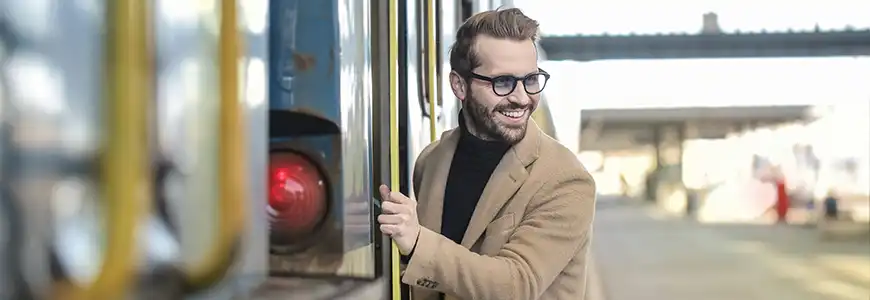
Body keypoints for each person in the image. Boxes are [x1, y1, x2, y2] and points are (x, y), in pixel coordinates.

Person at [376, 8, 596, 300]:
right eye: (502, 82)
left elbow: (517, 284)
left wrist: (417, 242)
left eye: (531, 79)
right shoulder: (431, 161)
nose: (521, 97)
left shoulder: (567, 180)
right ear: (459, 85)